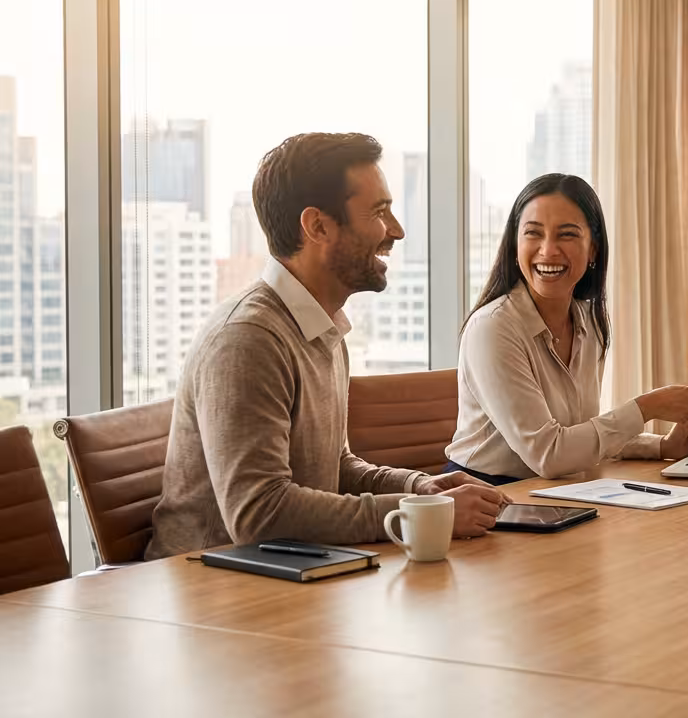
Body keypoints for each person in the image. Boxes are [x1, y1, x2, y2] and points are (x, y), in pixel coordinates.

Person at [147, 133, 507, 560]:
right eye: (379, 212)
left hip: (291, 571)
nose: (397, 231)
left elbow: (333, 468)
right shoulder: (247, 339)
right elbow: (257, 514)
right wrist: (414, 513)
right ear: (318, 226)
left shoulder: (323, 325)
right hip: (212, 593)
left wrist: (419, 487)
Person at [444, 173, 688, 483]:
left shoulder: (588, 321)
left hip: (557, 489)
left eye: (566, 235)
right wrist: (646, 408)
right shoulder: (493, 328)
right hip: (485, 495)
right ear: (514, 244)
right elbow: (549, 455)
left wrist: (662, 445)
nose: (548, 251)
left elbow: (579, 434)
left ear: (593, 250)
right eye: (533, 233)